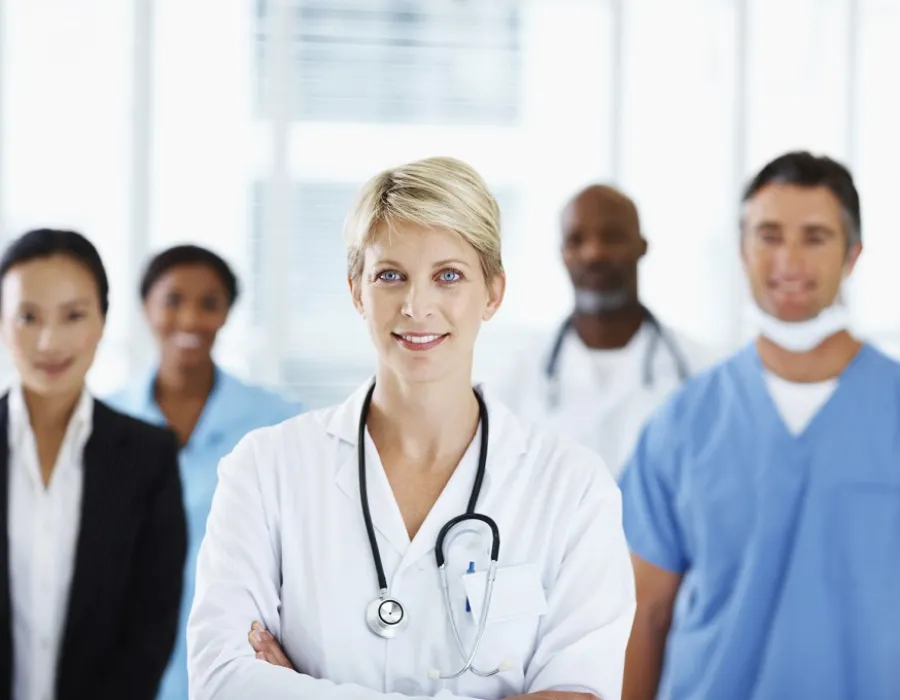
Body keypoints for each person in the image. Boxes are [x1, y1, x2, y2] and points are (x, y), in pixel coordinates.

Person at [186, 156, 635, 700]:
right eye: (390, 276)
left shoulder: (572, 486)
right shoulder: (265, 469)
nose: (417, 306)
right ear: (357, 290)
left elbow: (579, 693)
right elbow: (221, 681)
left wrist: (296, 689)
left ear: (493, 293)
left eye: (449, 276)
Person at [619, 151, 900, 699]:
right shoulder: (685, 423)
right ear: (743, 250)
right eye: (769, 236)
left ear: (853, 254)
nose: (789, 261)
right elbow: (645, 613)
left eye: (815, 238)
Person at [105, 244, 300, 700]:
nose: (191, 319)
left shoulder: (278, 423)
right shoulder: (104, 423)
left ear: (227, 313)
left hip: (242, 652)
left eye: (209, 303)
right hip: (122, 652)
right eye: (173, 300)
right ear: (146, 308)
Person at [0, 229, 187, 700]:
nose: (49, 341)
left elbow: (152, 623)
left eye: (73, 315)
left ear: (102, 320)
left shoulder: (150, 456)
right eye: (28, 316)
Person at [493, 185, 717, 479]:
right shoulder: (519, 378)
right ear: (563, 254)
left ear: (642, 246)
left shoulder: (701, 372)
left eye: (612, 237)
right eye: (576, 240)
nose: (594, 253)